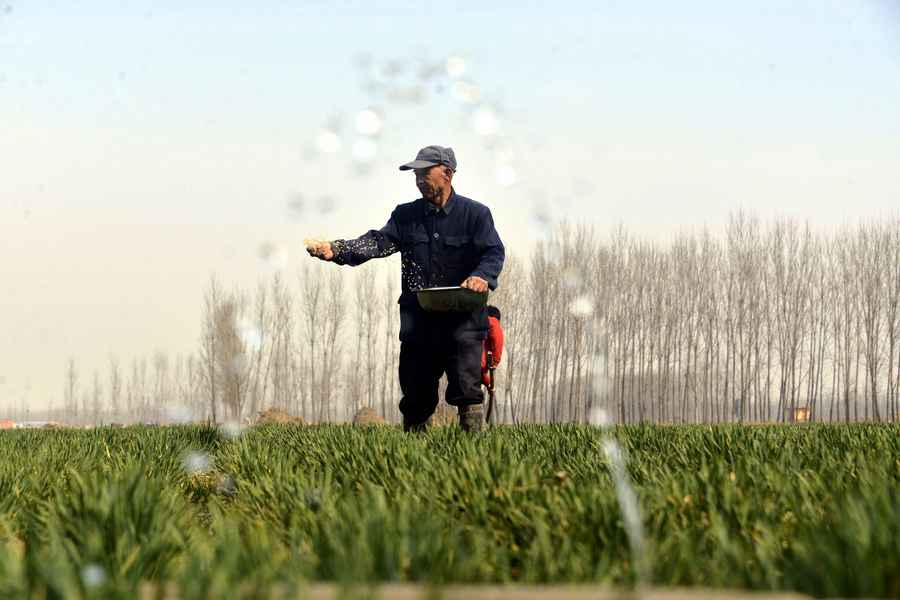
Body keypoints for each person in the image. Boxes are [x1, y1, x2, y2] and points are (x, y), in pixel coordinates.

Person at [306, 145, 505, 432]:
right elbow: (377, 242)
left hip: (463, 322)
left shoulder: (475, 215)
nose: (419, 180)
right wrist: (337, 249)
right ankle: (413, 456)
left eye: (425, 173)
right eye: (416, 174)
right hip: (419, 324)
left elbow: (493, 253)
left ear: (447, 173)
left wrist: (481, 276)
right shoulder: (406, 216)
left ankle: (473, 455)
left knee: (467, 387)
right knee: (416, 394)